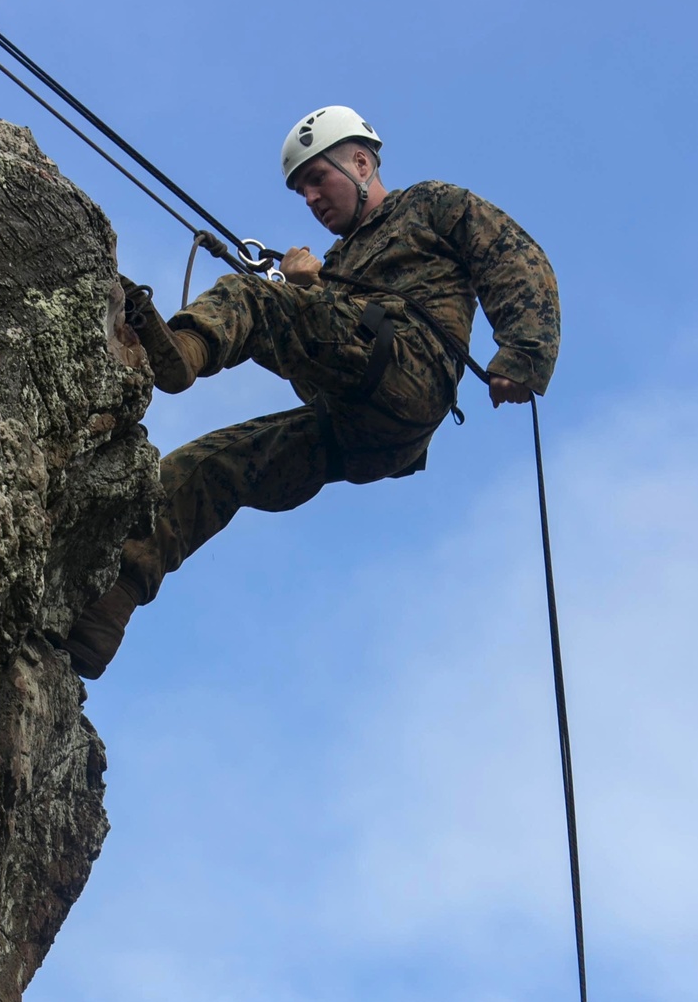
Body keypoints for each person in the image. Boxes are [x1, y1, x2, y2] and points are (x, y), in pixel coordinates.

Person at [64, 106, 561, 678]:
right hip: (360, 426)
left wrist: (523, 354)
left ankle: (182, 352)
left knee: (250, 295)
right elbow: (312, 378)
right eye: (302, 192)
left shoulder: (430, 204)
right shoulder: (336, 266)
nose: (312, 199)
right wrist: (310, 291)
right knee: (206, 466)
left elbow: (512, 256)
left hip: (408, 367)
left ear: (360, 161)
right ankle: (100, 617)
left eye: (317, 179)